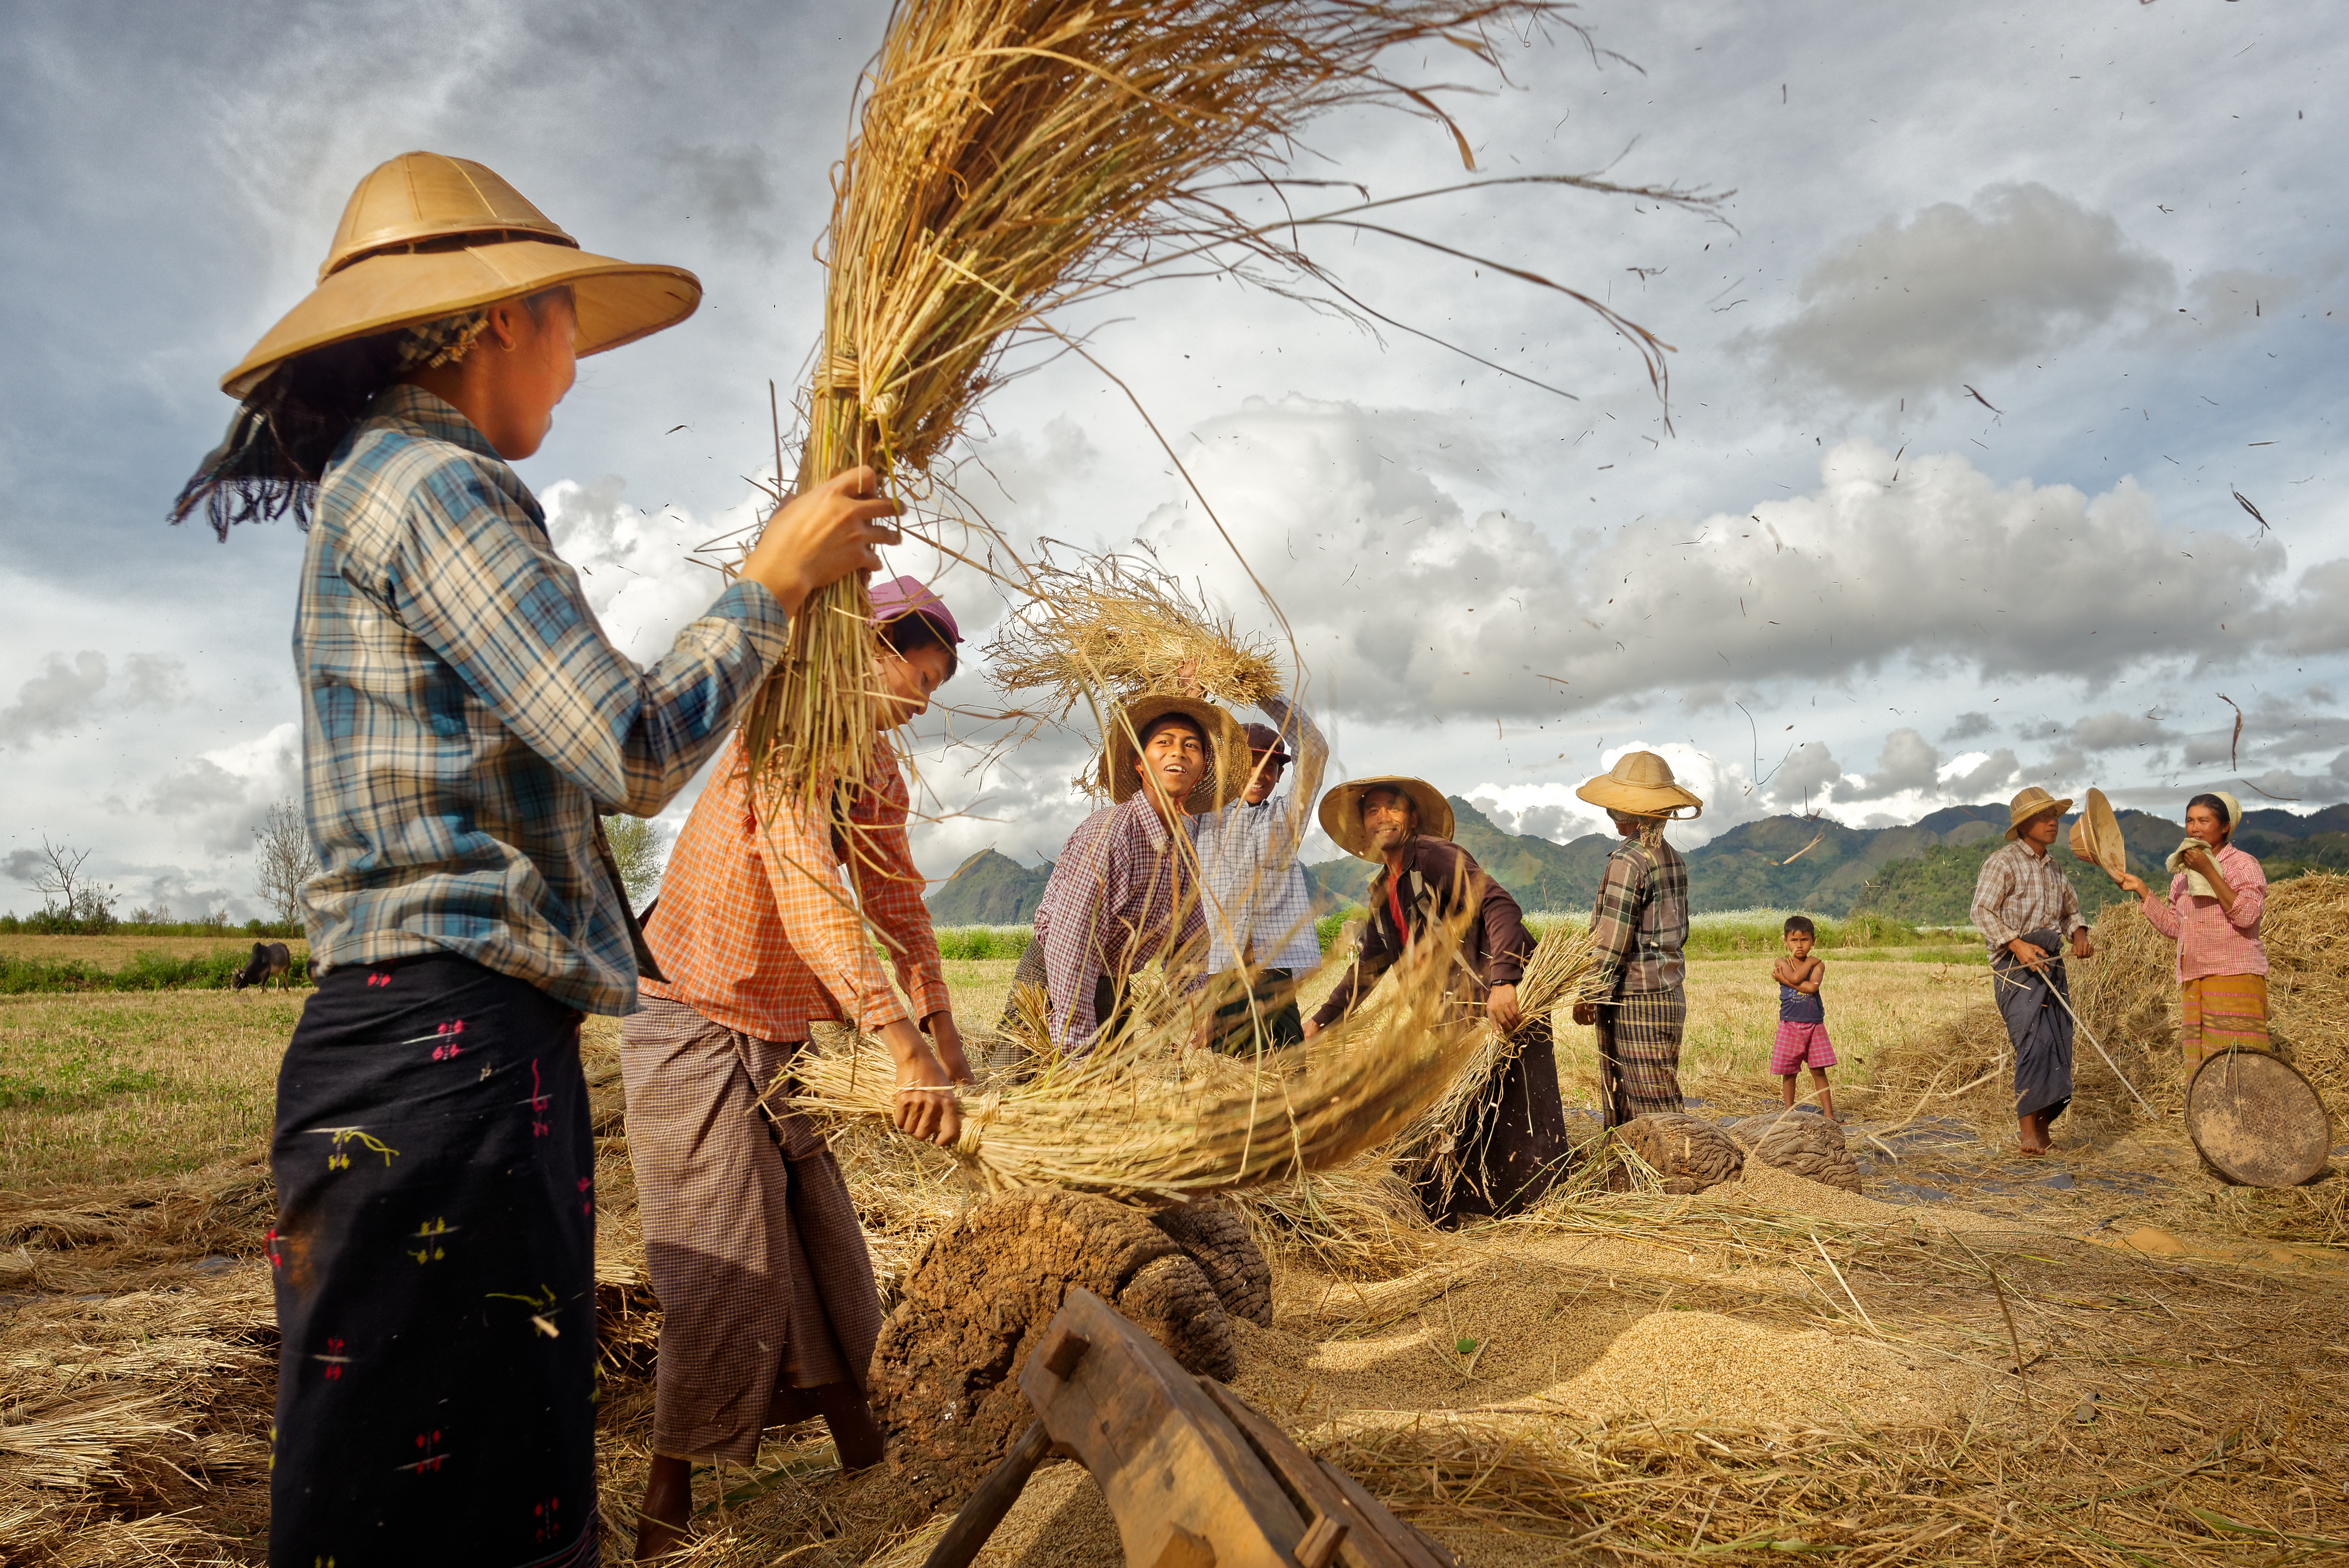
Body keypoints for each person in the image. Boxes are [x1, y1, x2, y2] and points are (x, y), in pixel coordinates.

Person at [180, 153, 902, 1568]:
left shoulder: (371, 487)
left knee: (401, 1465)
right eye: (567, 322)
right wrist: (775, 578)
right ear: (493, 321)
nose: (575, 367)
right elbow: (627, 744)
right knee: (469, 1471)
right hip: (447, 1057)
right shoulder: (435, 488)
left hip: (417, 1042)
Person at [619, 577, 972, 1558]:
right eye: (919, 675)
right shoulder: (787, 732)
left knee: (825, 1248)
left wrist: (942, 1032)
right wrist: (898, 1044)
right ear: (867, 646)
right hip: (685, 1018)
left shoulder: (879, 773)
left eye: (938, 689)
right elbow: (812, 890)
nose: (922, 700)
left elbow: (896, 906)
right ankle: (664, 1510)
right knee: (726, 1261)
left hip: (775, 1034)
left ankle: (871, 1466)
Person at [1303, 777, 1567, 1222]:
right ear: (1364, 827)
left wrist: (1503, 981)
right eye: (1372, 811)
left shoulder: (1435, 857)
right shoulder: (1383, 890)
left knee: (1522, 1115)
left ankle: (1544, 1213)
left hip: (1500, 1007)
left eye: (1393, 808)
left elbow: (1498, 906)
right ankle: (1484, 1211)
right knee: (1476, 1116)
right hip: (1452, 1019)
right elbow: (1368, 966)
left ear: (1411, 818)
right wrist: (1319, 1022)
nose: (1382, 817)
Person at [1032, 696, 1247, 1055]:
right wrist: (1075, 1049)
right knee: (1023, 1099)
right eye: (1164, 742)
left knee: (1113, 1102)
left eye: (1190, 746)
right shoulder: (1110, 833)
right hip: (1052, 987)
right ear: (1139, 764)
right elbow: (1071, 946)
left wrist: (1195, 1009)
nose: (1177, 752)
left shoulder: (1182, 846)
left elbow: (1187, 940)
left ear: (1200, 771)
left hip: (1112, 987)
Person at [1567, 752, 1700, 1127]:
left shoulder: (1628, 861)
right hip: (1667, 995)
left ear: (1627, 812)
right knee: (1654, 1093)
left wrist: (1589, 994)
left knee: (1650, 1112)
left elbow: (1612, 941)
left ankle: (1676, 1176)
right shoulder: (1671, 858)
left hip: (1636, 1000)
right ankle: (1646, 1174)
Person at [1194, 698, 1329, 1054]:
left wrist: (1261, 692)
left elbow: (1314, 748)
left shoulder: (1285, 820)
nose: (1259, 773)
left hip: (1273, 977)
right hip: (1218, 976)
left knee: (1288, 1079)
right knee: (1225, 1085)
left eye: (1270, 765)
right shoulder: (1201, 819)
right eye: (1248, 763)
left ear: (1281, 774)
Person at [1970, 786, 2095, 1157]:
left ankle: (2043, 1134)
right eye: (2044, 817)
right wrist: (2018, 945)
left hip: (2051, 962)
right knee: (2032, 1043)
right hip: (2015, 967)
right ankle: (2027, 1134)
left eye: (2053, 815)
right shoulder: (2002, 862)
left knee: (2058, 1043)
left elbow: (2070, 912)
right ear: (2024, 825)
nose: (2052, 822)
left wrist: (2080, 934)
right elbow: (1981, 911)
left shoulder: (2054, 868)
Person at [2117, 791, 2269, 1080]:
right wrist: (2142, 890)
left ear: (2225, 826)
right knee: (2205, 1071)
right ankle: (2210, 1126)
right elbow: (2176, 928)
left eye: (2203, 820)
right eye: (2189, 820)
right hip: (2195, 980)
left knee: (2240, 1069)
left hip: (2234, 978)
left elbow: (2247, 915)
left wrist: (2208, 871)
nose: (2194, 828)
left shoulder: (2242, 865)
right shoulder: (2182, 873)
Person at [1770, 915, 1837, 1121]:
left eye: (1805, 940)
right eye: (1794, 940)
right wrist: (1806, 965)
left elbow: (1809, 987)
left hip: (1814, 1024)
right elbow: (1797, 978)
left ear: (1813, 941)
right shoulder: (1782, 961)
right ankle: (1788, 1114)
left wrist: (1783, 979)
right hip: (1790, 1022)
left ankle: (1828, 1114)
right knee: (1789, 1072)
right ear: (1786, 941)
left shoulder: (1819, 966)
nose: (1799, 945)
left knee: (1819, 1070)